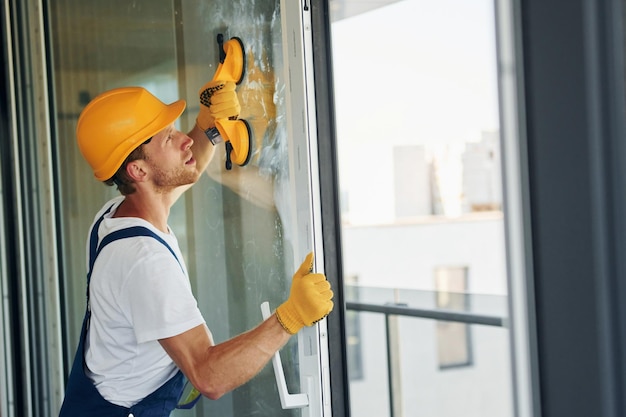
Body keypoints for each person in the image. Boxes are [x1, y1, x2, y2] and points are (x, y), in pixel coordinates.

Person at [58, 80, 334, 417]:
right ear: (138, 170)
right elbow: (208, 375)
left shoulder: (115, 216)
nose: (184, 140)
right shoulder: (144, 261)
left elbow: (186, 170)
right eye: (169, 138)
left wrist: (208, 125)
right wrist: (290, 317)